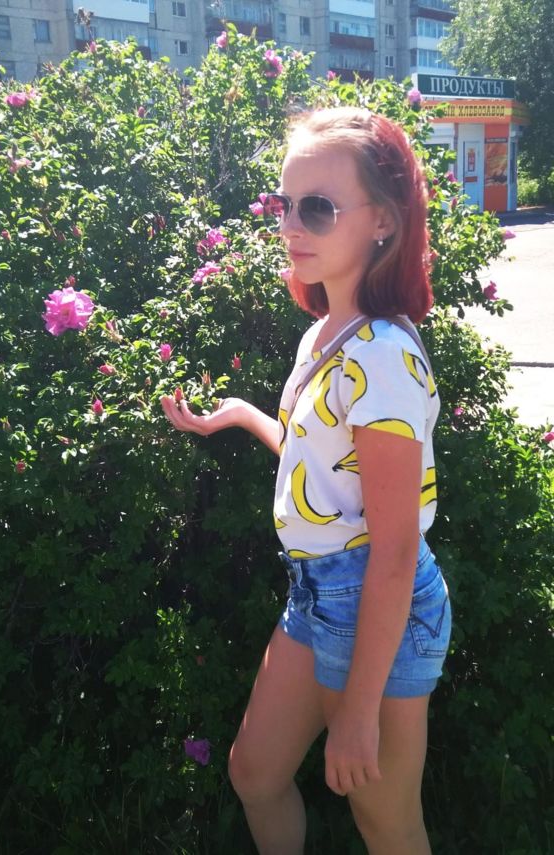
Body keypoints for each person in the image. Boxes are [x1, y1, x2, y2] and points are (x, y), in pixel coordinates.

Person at [161, 106, 451, 855]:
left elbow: (394, 550)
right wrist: (239, 415)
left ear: (382, 221)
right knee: (255, 772)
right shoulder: (326, 333)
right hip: (319, 589)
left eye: (317, 208)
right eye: (284, 205)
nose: (291, 226)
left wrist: (358, 710)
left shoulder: (383, 358)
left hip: (374, 598)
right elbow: (319, 462)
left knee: (387, 823)